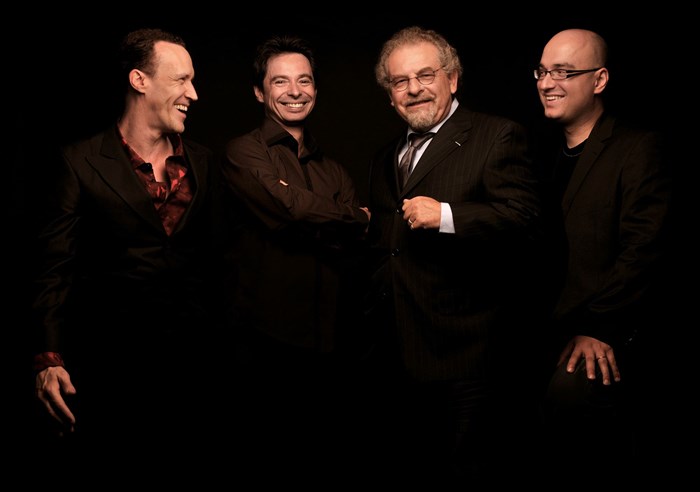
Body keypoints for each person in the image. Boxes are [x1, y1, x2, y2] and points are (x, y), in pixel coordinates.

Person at [28, 28, 224, 481]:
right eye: (181, 80)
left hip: (194, 371)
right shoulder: (79, 161)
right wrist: (48, 358)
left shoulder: (203, 162)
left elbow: (220, 262)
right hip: (110, 371)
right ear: (139, 80)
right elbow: (54, 267)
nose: (193, 94)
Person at [365, 26, 542, 483]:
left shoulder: (496, 135)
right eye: (400, 81)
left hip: (468, 356)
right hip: (398, 354)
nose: (414, 89)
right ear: (390, 95)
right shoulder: (385, 156)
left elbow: (525, 220)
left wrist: (445, 215)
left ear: (453, 79)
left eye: (425, 75)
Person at [219, 35, 370, 477]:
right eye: (280, 81)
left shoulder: (334, 170)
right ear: (259, 91)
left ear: (316, 89)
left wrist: (309, 214)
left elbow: (352, 241)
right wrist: (349, 216)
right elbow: (288, 209)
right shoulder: (243, 152)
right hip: (265, 347)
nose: (294, 91)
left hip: (331, 349)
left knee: (325, 460)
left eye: (304, 81)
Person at [533, 29, 672, 482]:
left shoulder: (636, 148)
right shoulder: (538, 154)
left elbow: (644, 249)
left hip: (604, 333)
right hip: (543, 333)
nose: (547, 83)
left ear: (600, 80)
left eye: (563, 72)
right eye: (542, 71)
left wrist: (599, 328)